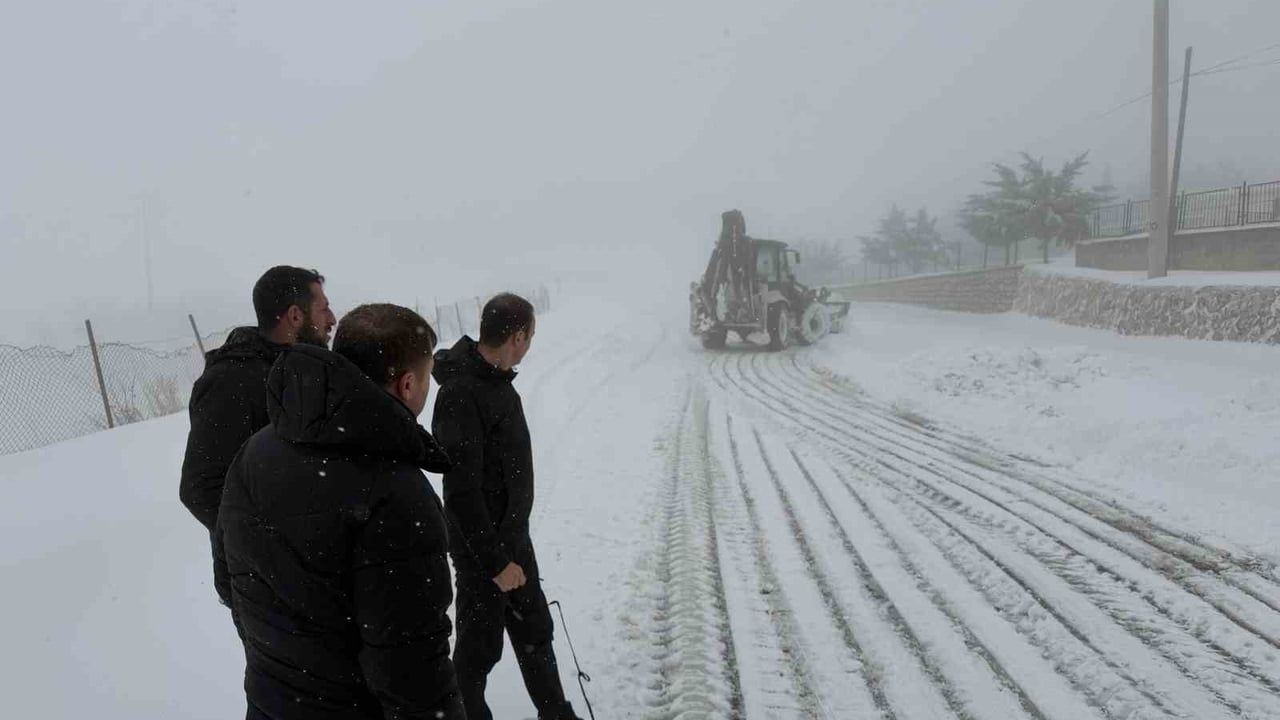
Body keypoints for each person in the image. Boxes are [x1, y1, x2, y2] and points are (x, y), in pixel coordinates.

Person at [213, 303, 462, 720]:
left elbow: (228, 578)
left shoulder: (255, 451)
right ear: (406, 384)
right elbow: (411, 669)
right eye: (427, 376)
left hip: (268, 702)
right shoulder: (396, 492)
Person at [432, 292, 582, 720]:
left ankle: (558, 714)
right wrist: (495, 563)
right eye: (530, 334)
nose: (530, 343)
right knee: (477, 653)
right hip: (483, 552)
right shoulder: (462, 393)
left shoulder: (496, 382)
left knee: (536, 631)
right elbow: (461, 493)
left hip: (513, 542)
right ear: (517, 336)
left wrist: (513, 547)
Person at [180, 265, 335, 534]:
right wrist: (273, 543)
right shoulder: (230, 380)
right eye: (324, 309)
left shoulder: (307, 369)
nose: (332, 319)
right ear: (295, 316)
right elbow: (202, 489)